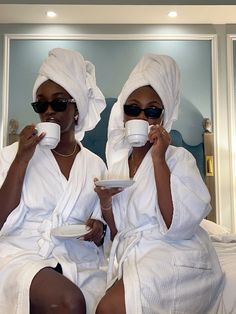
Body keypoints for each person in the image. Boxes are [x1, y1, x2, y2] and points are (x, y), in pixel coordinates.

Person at [94, 54, 225, 314]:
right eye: (133, 109)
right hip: (137, 251)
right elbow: (118, 232)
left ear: (163, 117)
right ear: (123, 116)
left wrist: (159, 159)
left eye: (152, 110)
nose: (142, 117)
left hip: (176, 252)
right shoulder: (118, 166)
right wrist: (106, 203)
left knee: (110, 307)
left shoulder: (179, 159)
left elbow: (177, 226)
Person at [0, 48, 109, 314]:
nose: (49, 112)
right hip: (22, 254)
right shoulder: (12, 154)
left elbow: (103, 227)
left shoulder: (95, 164)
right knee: (70, 302)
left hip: (76, 258)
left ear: (76, 110)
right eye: (41, 105)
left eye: (59, 103)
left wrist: (98, 230)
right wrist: (22, 160)